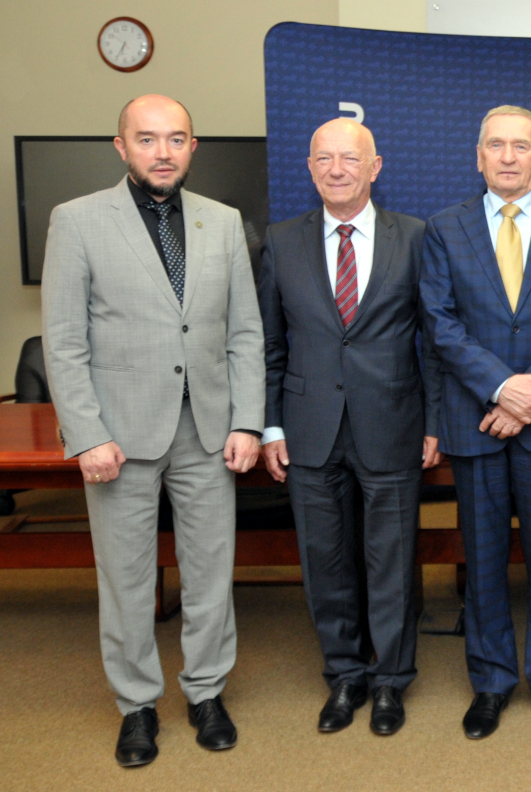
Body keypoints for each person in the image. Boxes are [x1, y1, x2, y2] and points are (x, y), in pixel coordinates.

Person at [40, 94, 265, 767]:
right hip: (119, 435)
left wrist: (247, 421)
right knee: (127, 579)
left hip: (208, 431)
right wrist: (86, 434)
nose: (162, 152)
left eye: (176, 139)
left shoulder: (222, 221)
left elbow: (244, 332)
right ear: (121, 146)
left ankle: (206, 692)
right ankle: (136, 705)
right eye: (147, 139)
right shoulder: (76, 220)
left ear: (193, 147)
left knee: (210, 574)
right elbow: (63, 341)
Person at [420, 105, 531, 740]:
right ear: (478, 157)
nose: (506, 156)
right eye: (494, 145)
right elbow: (440, 322)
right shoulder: (444, 228)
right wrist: (501, 389)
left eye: (520, 146)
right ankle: (492, 681)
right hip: (477, 418)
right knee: (484, 557)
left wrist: (529, 394)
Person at [257, 118, 442, 736]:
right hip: (307, 429)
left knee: (392, 562)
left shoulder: (414, 237)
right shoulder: (281, 241)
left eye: (350, 158)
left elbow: (433, 341)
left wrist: (435, 420)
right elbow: (268, 344)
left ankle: (389, 680)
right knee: (325, 561)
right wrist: (271, 426)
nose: (337, 170)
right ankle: (343, 675)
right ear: (309, 168)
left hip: (392, 424)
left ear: (375, 167)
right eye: (324, 159)